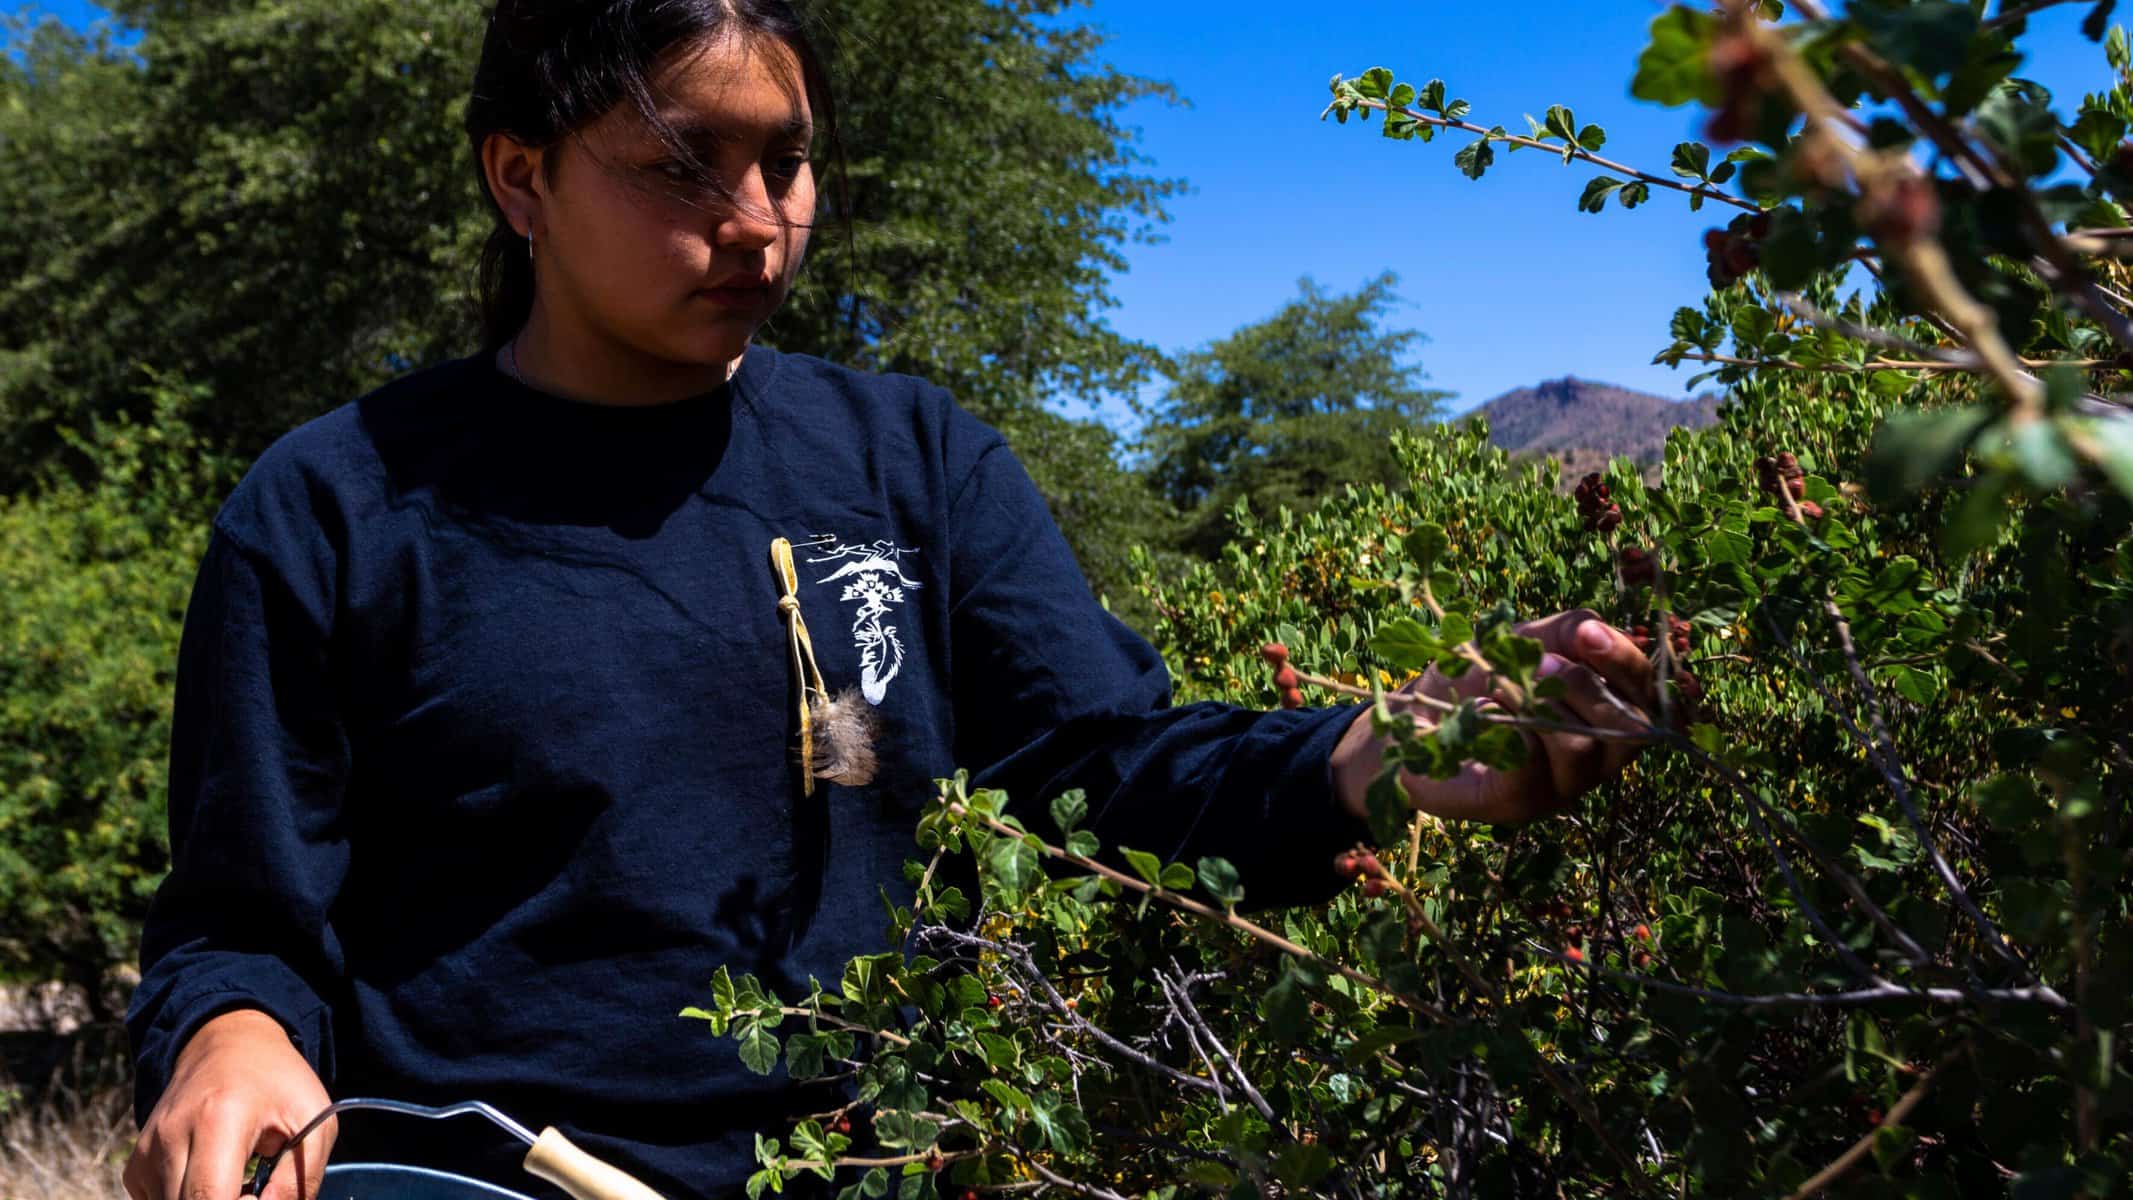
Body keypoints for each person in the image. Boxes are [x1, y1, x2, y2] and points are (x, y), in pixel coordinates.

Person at [120, 4, 1661, 1200]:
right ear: (520, 176)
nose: (756, 219)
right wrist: (230, 1033)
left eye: (785, 160)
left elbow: (1099, 768)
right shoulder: (336, 504)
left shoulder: (907, 460)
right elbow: (242, 921)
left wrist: (1365, 761)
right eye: (678, 168)